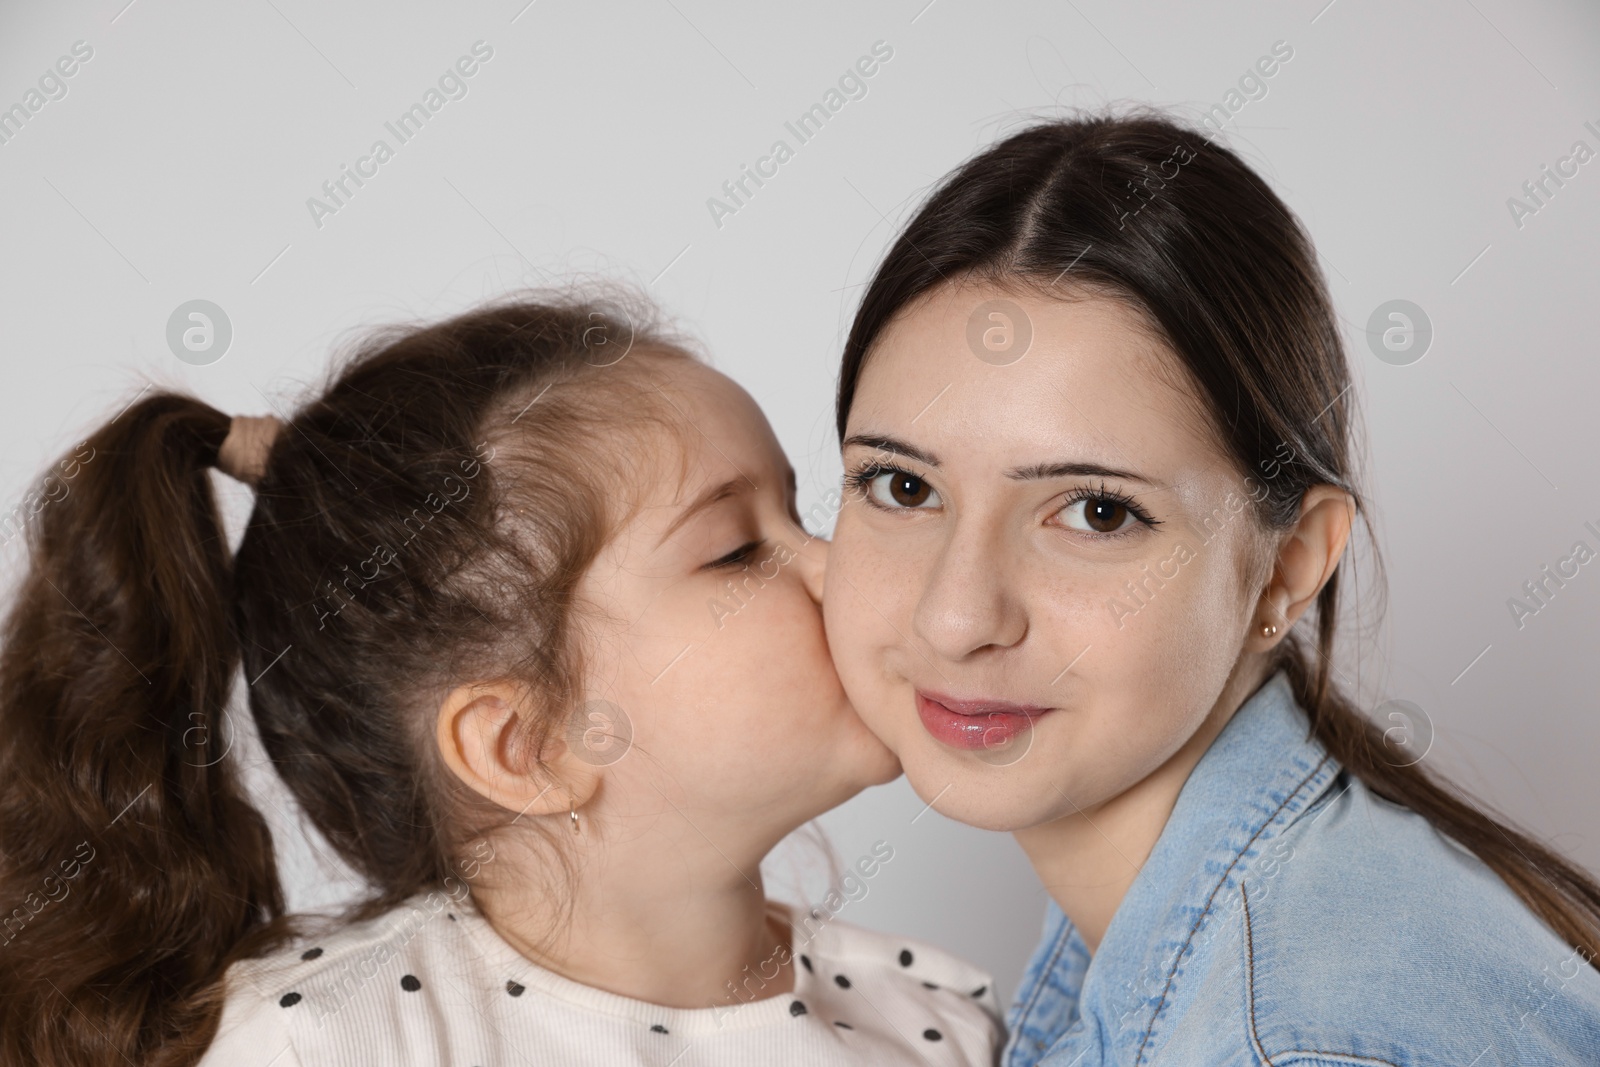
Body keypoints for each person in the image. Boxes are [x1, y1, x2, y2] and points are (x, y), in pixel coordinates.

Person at [0, 292, 1003, 1066]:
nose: (842, 566)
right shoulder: (327, 1045)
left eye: (803, 514)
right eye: (738, 549)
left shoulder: (937, 1016)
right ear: (524, 746)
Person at [821, 111, 1600, 1066]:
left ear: (1288, 565)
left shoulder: (1285, 1041)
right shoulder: (1198, 947)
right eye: (903, 487)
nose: (955, 616)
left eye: (1097, 512)